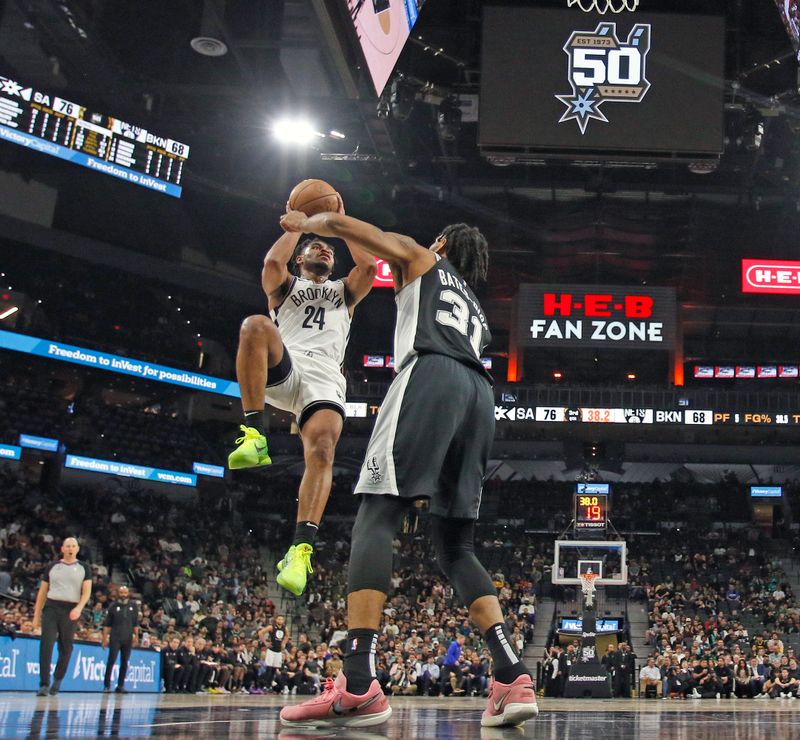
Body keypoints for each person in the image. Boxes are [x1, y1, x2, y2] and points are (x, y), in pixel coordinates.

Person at [278, 209, 538, 729]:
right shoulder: (477, 311)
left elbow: (369, 240)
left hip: (430, 377)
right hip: (479, 397)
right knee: (456, 546)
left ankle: (357, 684)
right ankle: (512, 675)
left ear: (441, 243)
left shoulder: (422, 258)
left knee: (377, 515)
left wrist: (316, 217)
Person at [227, 195, 375, 597]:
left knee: (323, 451)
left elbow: (369, 267)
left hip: (325, 379)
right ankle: (255, 434)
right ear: (300, 258)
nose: (324, 249)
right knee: (255, 325)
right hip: (287, 365)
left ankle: (300, 549)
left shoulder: (344, 292)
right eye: (316, 246)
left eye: (327, 248)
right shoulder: (286, 284)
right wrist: (297, 227)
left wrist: (340, 223)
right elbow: (271, 265)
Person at [32, 537, 92, 696]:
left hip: (71, 608)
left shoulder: (84, 567)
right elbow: (42, 592)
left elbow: (86, 592)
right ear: (62, 549)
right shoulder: (53, 566)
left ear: (77, 549)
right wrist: (36, 616)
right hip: (51, 606)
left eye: (73, 546)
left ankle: (57, 680)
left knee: (66, 647)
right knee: (46, 644)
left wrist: (79, 608)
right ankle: (44, 684)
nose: (70, 548)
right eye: (68, 546)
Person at [102, 585, 139, 693]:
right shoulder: (113, 606)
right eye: (121, 593)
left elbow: (135, 623)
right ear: (118, 593)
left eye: (125, 592)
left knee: (124, 662)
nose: (123, 595)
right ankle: (107, 685)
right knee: (111, 660)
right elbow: (107, 624)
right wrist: (105, 638)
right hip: (115, 637)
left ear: (128, 593)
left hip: (127, 638)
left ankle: (120, 685)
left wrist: (136, 636)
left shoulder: (133, 606)